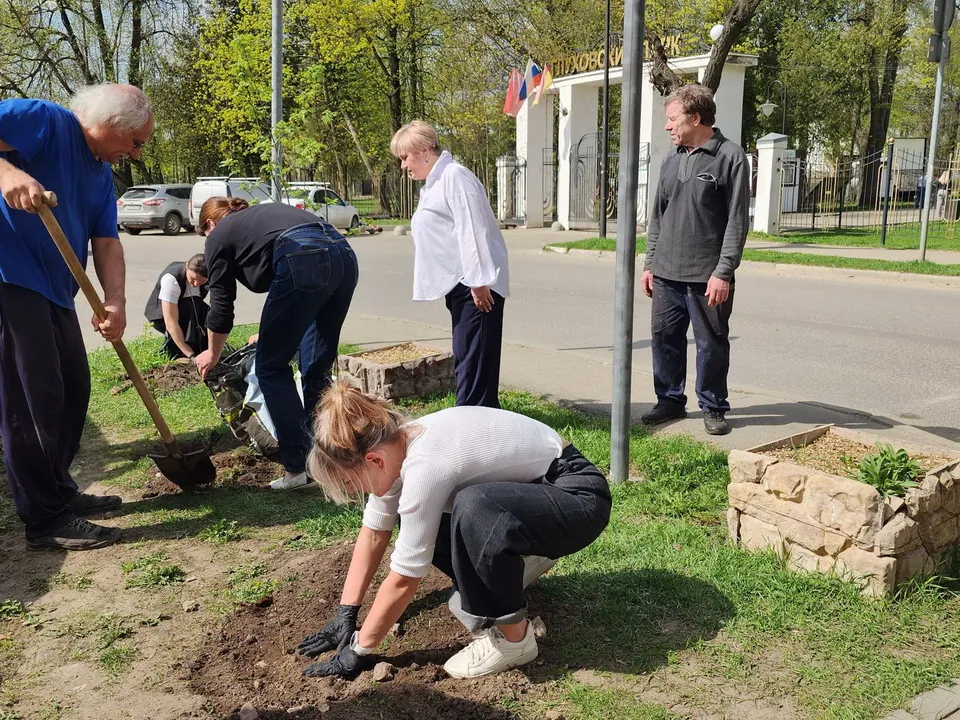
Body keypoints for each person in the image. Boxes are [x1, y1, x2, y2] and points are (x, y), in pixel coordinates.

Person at [295, 380, 611, 680]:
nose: (356, 491)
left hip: (577, 497)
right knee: (426, 518)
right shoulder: (394, 446)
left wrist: (359, 649)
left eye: (352, 483)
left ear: (373, 459)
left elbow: (405, 577)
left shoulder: (425, 465)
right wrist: (346, 614)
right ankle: (520, 567)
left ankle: (514, 642)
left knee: (475, 506)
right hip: (534, 499)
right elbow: (374, 532)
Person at [0, 83, 154, 550]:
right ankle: (44, 519)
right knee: (31, 400)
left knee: (71, 388)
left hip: (56, 290)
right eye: (136, 142)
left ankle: (59, 491)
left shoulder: (100, 176)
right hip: (9, 280)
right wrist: (6, 172)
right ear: (110, 125)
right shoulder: (46, 120)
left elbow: (107, 241)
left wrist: (116, 302)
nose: (135, 153)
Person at [193, 198, 358, 491]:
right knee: (315, 368)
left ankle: (299, 468)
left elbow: (220, 306)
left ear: (208, 224)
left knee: (270, 367)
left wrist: (213, 353)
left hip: (303, 255)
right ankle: (329, 458)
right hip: (343, 253)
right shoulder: (257, 218)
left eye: (204, 233)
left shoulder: (217, 235)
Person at [640, 84, 749, 436]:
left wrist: (723, 272)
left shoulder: (730, 157)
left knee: (711, 344)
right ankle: (670, 399)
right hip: (666, 274)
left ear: (696, 118)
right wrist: (649, 264)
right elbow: (658, 216)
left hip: (707, 277)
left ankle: (713, 405)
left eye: (673, 119)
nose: (668, 127)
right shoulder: (671, 160)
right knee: (664, 338)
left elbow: (737, 221)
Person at [390, 120, 509, 408]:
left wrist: (479, 282)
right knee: (470, 358)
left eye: (405, 157)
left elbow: (473, 230)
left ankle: (469, 425)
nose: (403, 166)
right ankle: (480, 421)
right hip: (461, 284)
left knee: (473, 363)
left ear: (424, 149)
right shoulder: (436, 183)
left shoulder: (455, 177)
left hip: (475, 286)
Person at [143, 253, 209, 360]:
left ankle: (203, 348)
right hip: (162, 316)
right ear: (187, 267)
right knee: (190, 308)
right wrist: (190, 355)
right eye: (193, 278)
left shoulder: (210, 278)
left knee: (208, 312)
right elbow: (171, 322)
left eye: (201, 281)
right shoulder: (171, 279)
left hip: (190, 311)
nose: (196, 284)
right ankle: (181, 351)